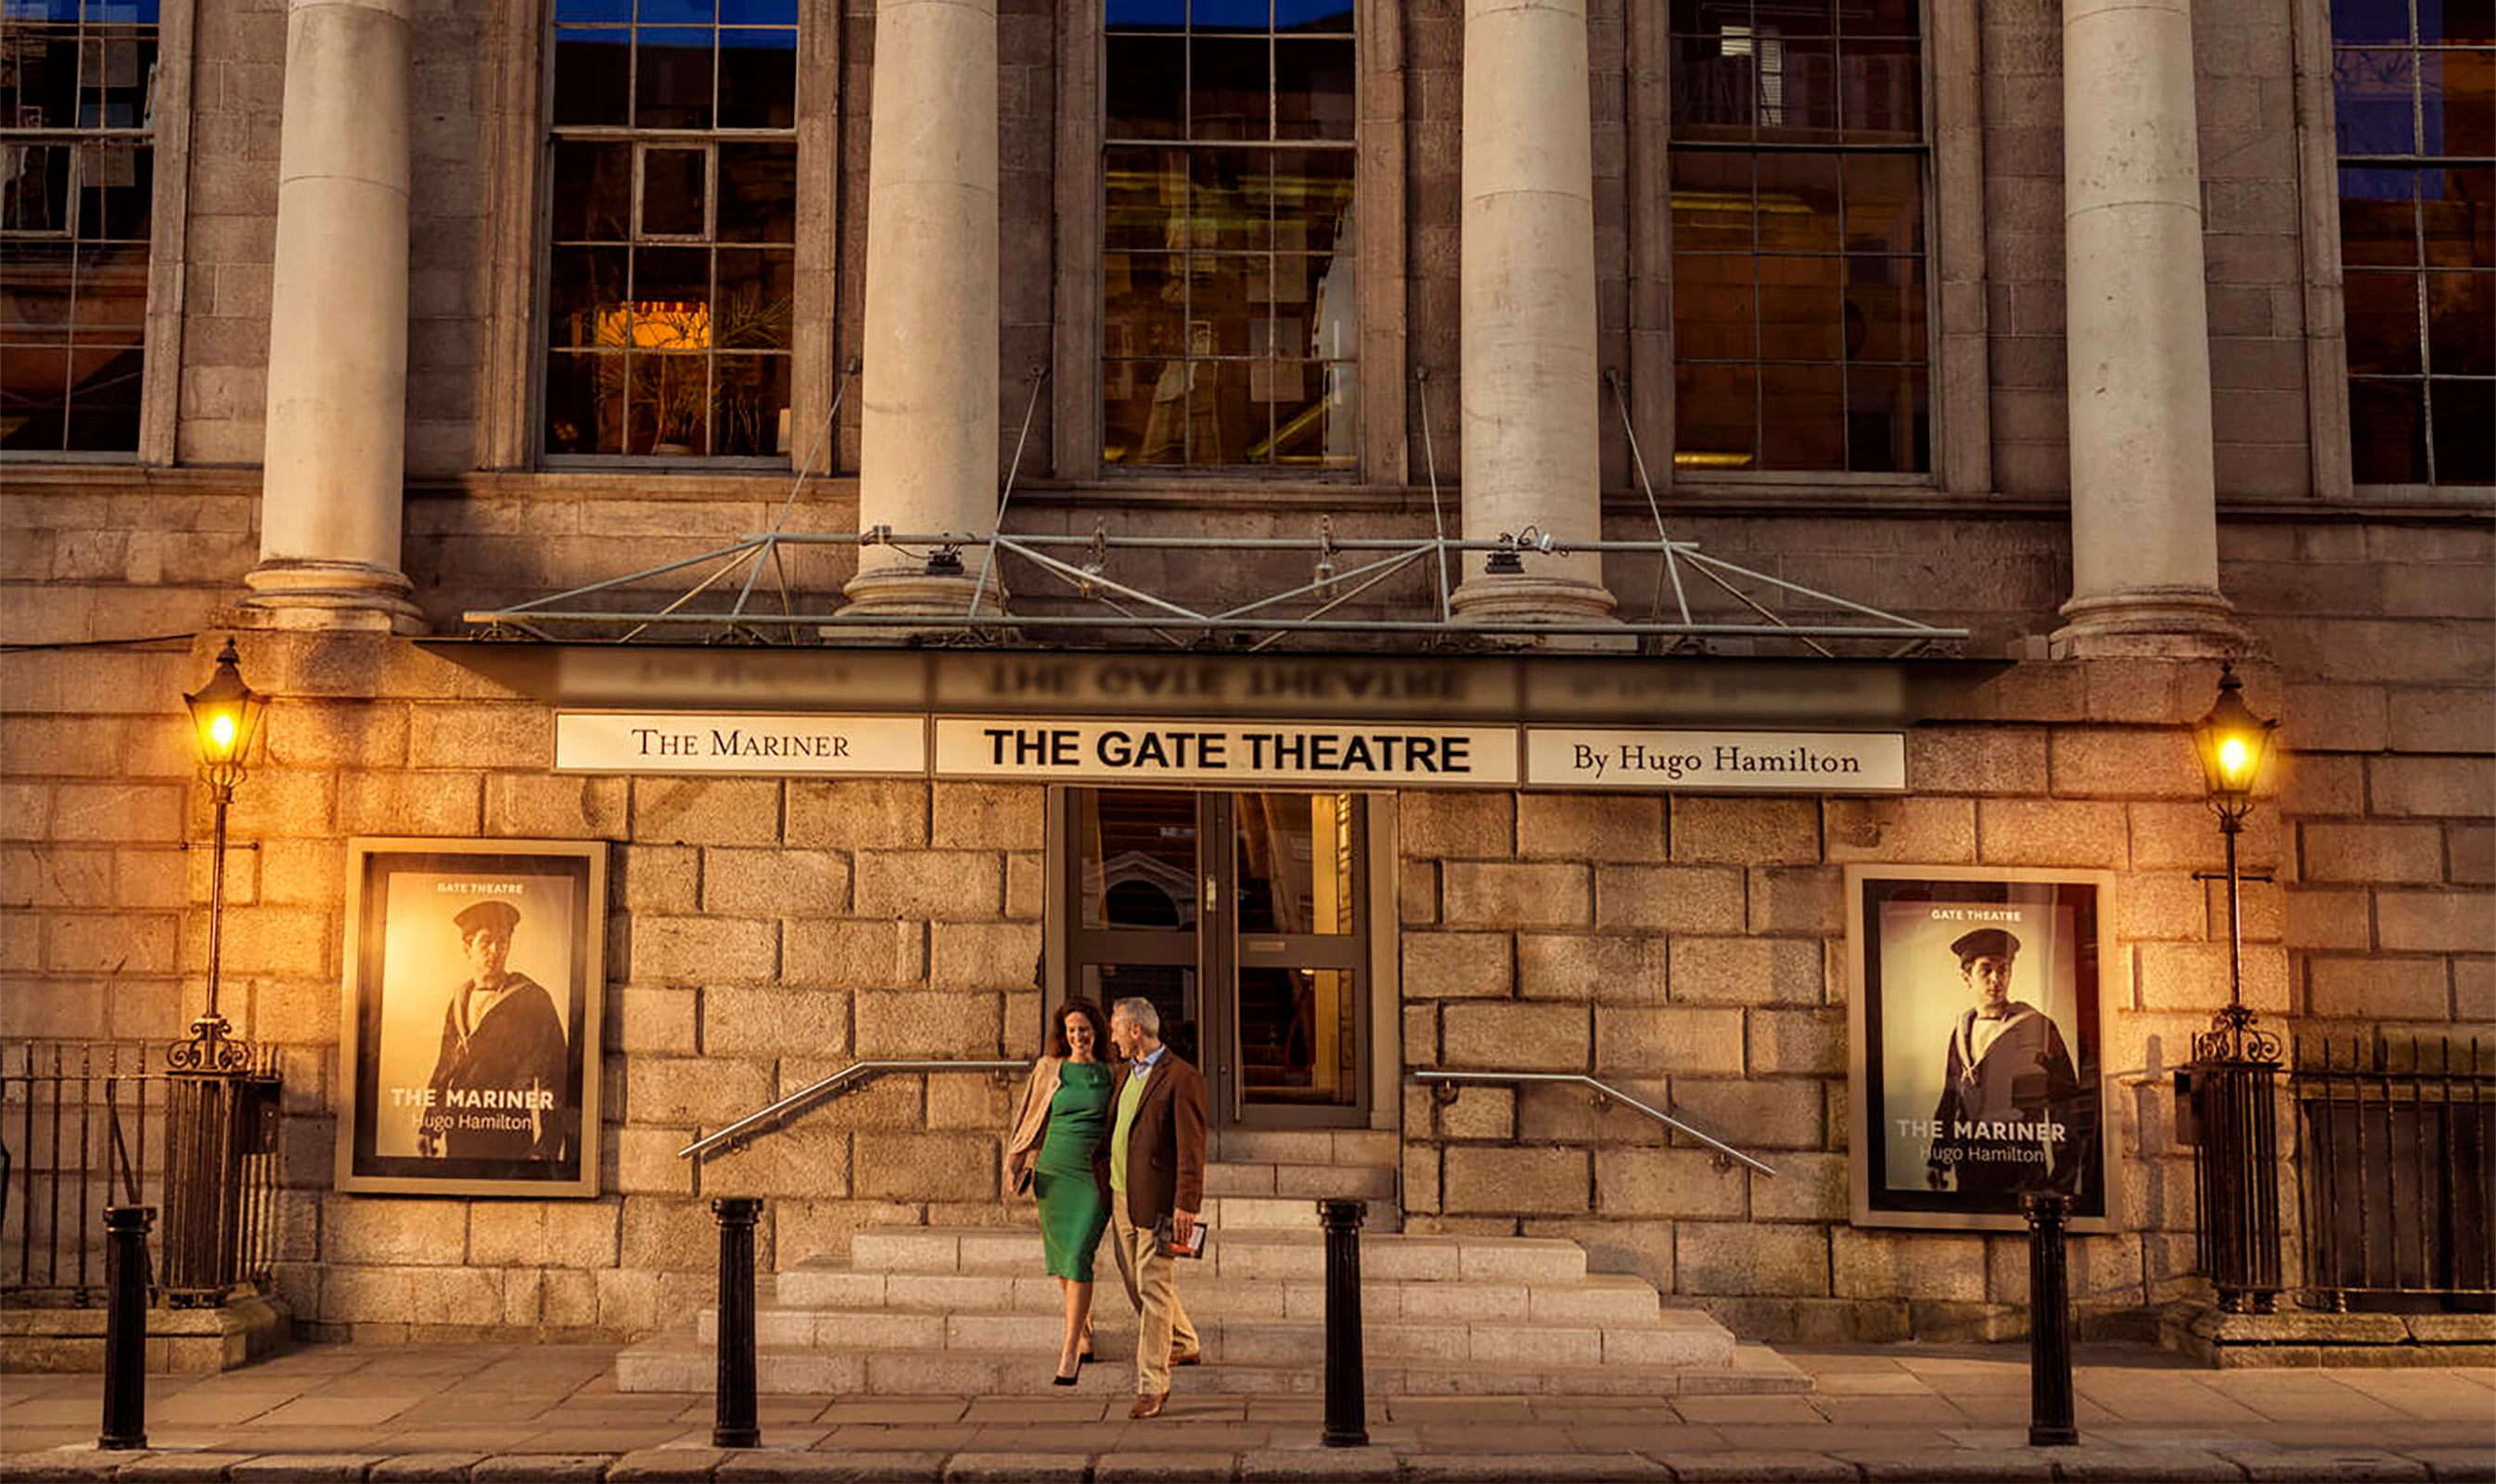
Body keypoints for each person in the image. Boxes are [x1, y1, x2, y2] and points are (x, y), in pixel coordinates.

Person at [1097, 995, 1207, 1420]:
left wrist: (1186, 1203)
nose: (1113, 1038)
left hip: (1160, 1201)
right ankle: (1183, 1342)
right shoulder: (1126, 1072)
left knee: (1153, 1286)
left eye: (1116, 1030)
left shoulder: (1182, 1078)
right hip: (1122, 1195)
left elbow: (1192, 1148)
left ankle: (1152, 1384)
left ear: (1136, 1032)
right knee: (1135, 1281)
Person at [1924, 927, 2083, 1203]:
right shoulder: (1961, 1032)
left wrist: (2062, 1180)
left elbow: (2064, 1104)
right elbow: (1950, 1099)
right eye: (1986, 970)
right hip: (1970, 1168)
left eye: (2003, 969)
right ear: (1967, 977)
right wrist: (1939, 1159)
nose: (1996, 979)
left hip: (2021, 1169)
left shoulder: (2038, 1028)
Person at [1004, 997, 1117, 1385]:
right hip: (1054, 1169)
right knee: (1063, 1259)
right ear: (1063, 1034)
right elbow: (1030, 1113)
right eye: (1071, 1030)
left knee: (1078, 1253)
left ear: (1096, 1031)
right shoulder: (1050, 1068)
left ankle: (1068, 1351)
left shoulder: (1110, 1073)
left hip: (1091, 1175)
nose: (1078, 1036)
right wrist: (1015, 1160)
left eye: (1084, 1029)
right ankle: (1082, 1331)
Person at [421, 899, 570, 1162]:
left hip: (510, 1134)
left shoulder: (533, 999)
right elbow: (445, 1068)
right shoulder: (459, 1000)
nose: (495, 950)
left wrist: (547, 1145)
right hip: (461, 1133)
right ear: (467, 948)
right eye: (485, 941)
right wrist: (430, 1128)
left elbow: (555, 1076)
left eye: (502, 941)